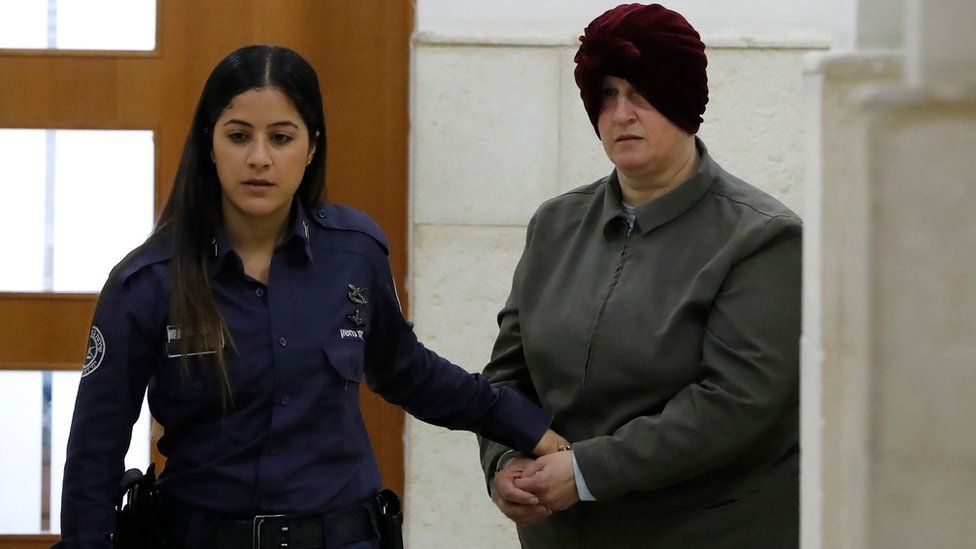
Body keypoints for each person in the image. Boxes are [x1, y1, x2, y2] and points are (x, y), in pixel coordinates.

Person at [55, 44, 566, 549]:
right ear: (209, 145)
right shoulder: (146, 283)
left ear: (312, 146)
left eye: (281, 137)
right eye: (238, 136)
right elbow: (94, 453)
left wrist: (527, 427)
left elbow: (408, 371)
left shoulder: (354, 253)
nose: (259, 158)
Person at [478, 4, 802, 548]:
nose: (621, 113)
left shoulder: (762, 237)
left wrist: (585, 472)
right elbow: (507, 375)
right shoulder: (556, 224)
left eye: (641, 93)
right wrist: (505, 460)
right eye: (605, 94)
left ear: (684, 101)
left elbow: (736, 403)